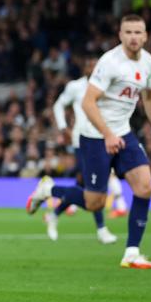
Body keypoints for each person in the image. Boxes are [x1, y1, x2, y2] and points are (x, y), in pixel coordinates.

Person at [27, 14, 151, 269]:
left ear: (146, 36)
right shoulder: (110, 63)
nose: (133, 37)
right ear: (120, 34)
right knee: (95, 202)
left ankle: (131, 253)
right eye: (128, 32)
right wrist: (107, 135)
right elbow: (87, 102)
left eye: (138, 32)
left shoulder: (149, 63)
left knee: (145, 187)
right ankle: (48, 190)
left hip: (123, 132)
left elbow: (149, 96)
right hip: (95, 136)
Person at [47, 57, 117, 244]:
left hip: (103, 140)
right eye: (89, 65)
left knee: (86, 186)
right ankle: (101, 229)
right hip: (82, 141)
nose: (92, 68)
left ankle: (53, 211)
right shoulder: (75, 87)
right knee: (92, 187)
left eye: (95, 66)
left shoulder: (107, 87)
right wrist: (63, 128)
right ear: (84, 68)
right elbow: (58, 105)